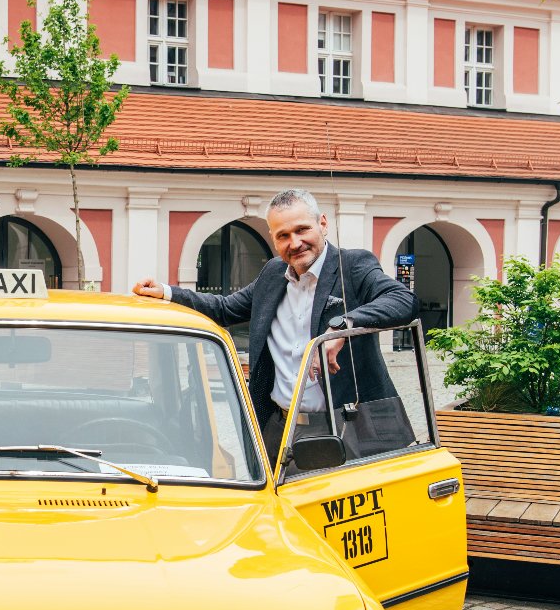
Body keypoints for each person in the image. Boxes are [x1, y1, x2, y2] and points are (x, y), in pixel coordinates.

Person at [132, 188, 418, 459]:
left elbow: (403, 300)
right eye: (283, 235)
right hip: (281, 429)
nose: (294, 243)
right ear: (273, 239)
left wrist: (343, 326)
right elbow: (225, 308)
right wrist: (168, 293)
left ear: (322, 223)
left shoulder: (353, 266)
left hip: (349, 428)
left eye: (302, 229)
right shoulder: (273, 273)